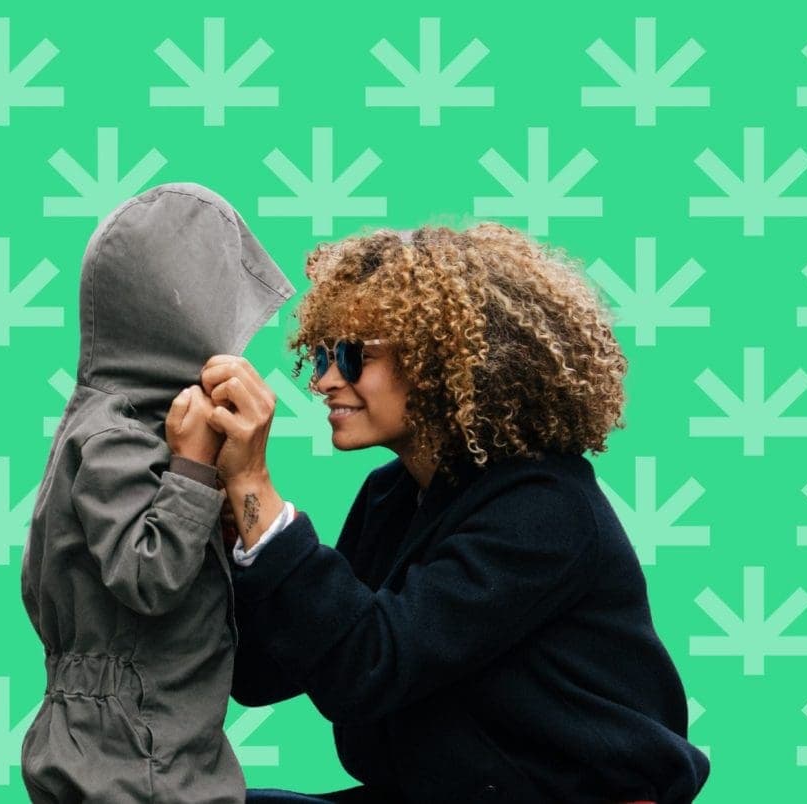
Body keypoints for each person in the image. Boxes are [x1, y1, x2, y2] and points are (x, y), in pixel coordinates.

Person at [198, 224, 710, 803]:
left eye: (353, 355)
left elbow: (367, 668)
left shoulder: (545, 511)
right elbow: (264, 674)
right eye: (320, 354)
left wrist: (254, 487)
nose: (324, 380)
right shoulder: (393, 496)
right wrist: (235, 528)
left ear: (440, 363)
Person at [19, 183, 295, 803]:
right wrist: (193, 469)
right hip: (138, 752)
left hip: (125, 739)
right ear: (182, 316)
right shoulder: (116, 435)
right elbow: (149, 575)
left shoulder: (119, 421)